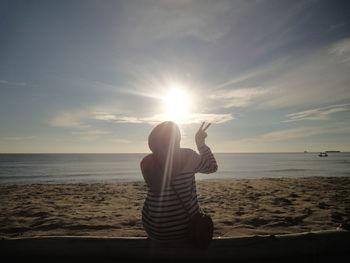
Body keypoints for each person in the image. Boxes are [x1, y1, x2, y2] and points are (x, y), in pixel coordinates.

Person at [140, 121, 218, 241]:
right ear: (177, 138)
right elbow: (212, 167)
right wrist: (200, 143)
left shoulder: (146, 162)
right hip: (185, 229)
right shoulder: (188, 155)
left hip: (154, 230)